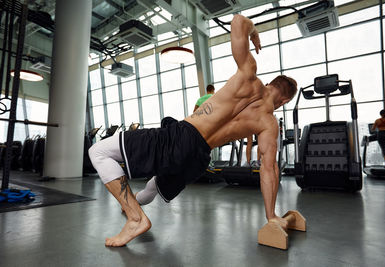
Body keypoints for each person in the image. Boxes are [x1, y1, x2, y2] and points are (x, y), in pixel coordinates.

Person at [88, 14, 297, 247]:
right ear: (285, 100)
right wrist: (271, 216)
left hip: (182, 136)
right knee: (156, 184)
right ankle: (132, 206)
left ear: (272, 84)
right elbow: (269, 171)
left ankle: (136, 217)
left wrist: (254, 33)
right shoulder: (269, 125)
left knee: (98, 151)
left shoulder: (249, 75)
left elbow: (238, 20)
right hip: (197, 159)